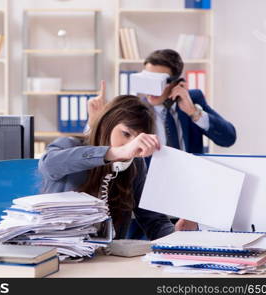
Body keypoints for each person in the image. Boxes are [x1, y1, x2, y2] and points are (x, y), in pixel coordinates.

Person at [88, 49, 236, 238]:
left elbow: (228, 138)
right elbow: (106, 146)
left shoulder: (193, 99)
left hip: (188, 201)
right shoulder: (135, 110)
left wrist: (194, 112)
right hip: (148, 203)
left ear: (175, 83)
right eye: (146, 79)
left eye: (157, 81)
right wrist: (95, 122)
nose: (150, 89)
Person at [39, 95, 193, 240]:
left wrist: (176, 235)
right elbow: (48, 165)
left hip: (108, 258)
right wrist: (115, 152)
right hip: (60, 253)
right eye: (126, 134)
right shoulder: (69, 145)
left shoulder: (135, 165)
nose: (131, 144)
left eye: (137, 138)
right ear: (108, 123)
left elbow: (153, 220)